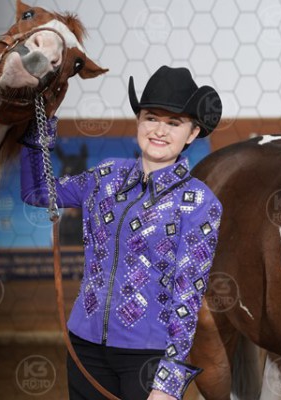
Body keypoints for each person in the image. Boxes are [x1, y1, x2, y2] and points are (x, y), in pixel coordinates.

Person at [20, 65, 223, 400]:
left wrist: (168, 382)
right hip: (84, 347)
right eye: (151, 118)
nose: (160, 130)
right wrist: (39, 125)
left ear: (192, 133)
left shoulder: (200, 202)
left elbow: (187, 296)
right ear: (139, 121)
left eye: (174, 123)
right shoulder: (106, 175)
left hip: (146, 358)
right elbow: (37, 192)